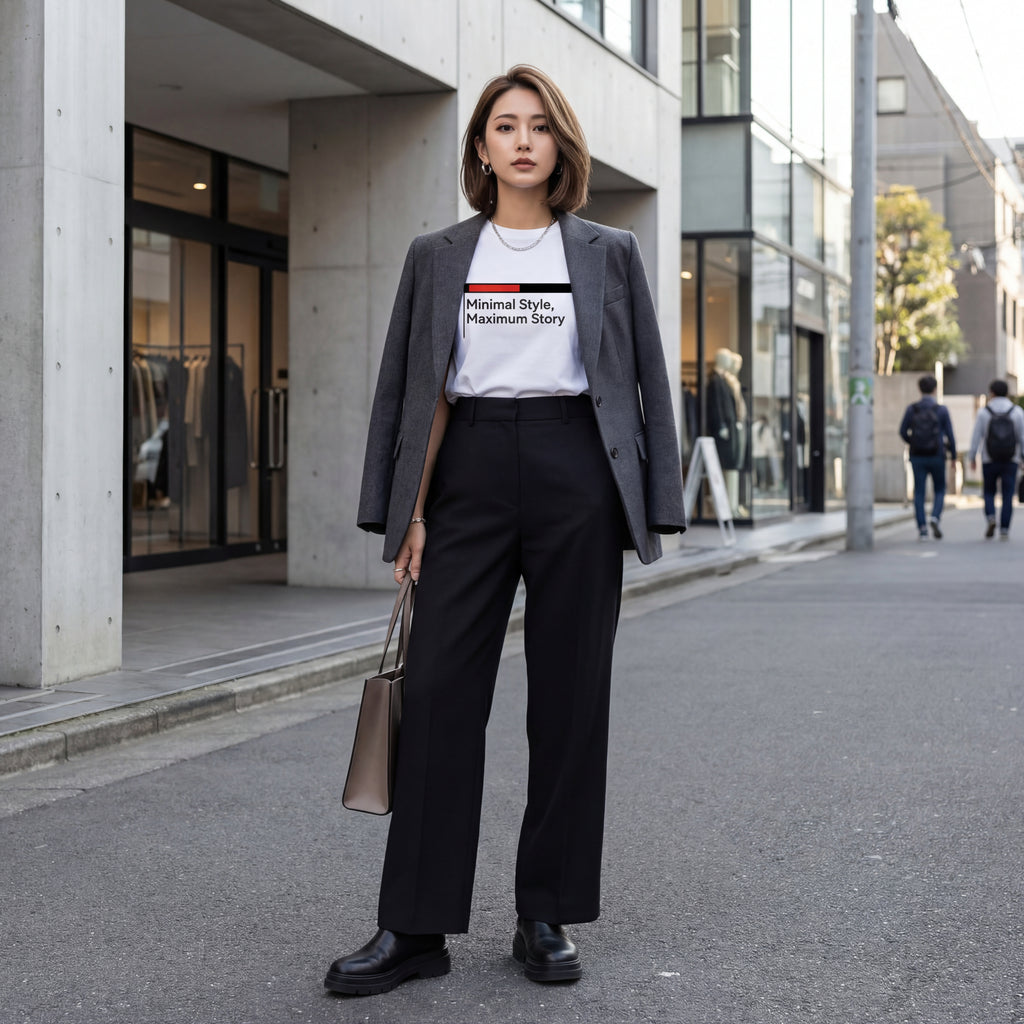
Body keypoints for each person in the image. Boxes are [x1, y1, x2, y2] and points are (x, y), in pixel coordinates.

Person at [325, 66, 686, 996]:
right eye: (503, 126)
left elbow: (645, 377)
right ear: (480, 148)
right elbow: (414, 389)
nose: (522, 140)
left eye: (539, 127)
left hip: (577, 473)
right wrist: (405, 512)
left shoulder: (608, 252)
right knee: (441, 695)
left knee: (570, 700)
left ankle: (545, 913)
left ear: (561, 145)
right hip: (470, 477)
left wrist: (652, 501)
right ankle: (414, 927)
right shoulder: (438, 253)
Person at [898, 374, 956, 539]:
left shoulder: (912, 409)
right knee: (939, 489)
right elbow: (950, 435)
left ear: (919, 389)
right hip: (937, 455)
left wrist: (913, 442)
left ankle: (922, 528)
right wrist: (953, 456)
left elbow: (902, 431)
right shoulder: (941, 410)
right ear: (935, 389)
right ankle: (935, 517)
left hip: (917, 456)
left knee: (919, 492)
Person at [968, 379, 1024, 539]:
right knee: (1008, 493)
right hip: (1011, 459)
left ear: (991, 393)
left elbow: (976, 436)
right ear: (1007, 393)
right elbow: (1022, 437)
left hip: (989, 459)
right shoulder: (1017, 412)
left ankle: (991, 517)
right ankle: (1005, 528)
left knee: (989, 491)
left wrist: (972, 456)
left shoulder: (983, 412)